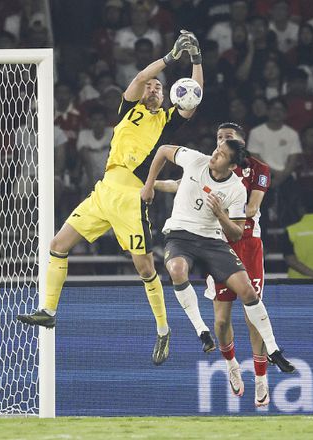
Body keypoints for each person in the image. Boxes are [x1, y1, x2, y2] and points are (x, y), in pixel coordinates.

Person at [17, 31, 203, 367]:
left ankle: (163, 329)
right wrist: (170, 57)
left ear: (166, 97)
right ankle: (49, 310)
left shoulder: (166, 122)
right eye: (151, 86)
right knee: (58, 244)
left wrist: (196, 60)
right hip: (104, 191)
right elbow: (141, 76)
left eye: (159, 88)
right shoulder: (128, 110)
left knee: (145, 268)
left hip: (131, 197)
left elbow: (195, 96)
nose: (153, 89)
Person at [140, 139, 296, 376]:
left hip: (213, 241)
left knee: (248, 291)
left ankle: (273, 350)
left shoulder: (236, 189)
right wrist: (149, 184)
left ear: (232, 166)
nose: (214, 154)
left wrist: (221, 214)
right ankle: (202, 331)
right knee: (177, 269)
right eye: (217, 149)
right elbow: (162, 150)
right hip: (180, 235)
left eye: (222, 155)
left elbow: (237, 232)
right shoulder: (195, 160)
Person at [155, 122, 275, 407]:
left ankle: (261, 378)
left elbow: (252, 209)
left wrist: (223, 209)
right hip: (217, 243)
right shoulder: (208, 165)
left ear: (240, 143)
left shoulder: (257, 170)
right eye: (219, 138)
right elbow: (183, 185)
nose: (221, 142)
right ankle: (232, 364)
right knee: (221, 321)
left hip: (247, 242)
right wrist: (151, 185)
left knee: (252, 313)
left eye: (227, 138)